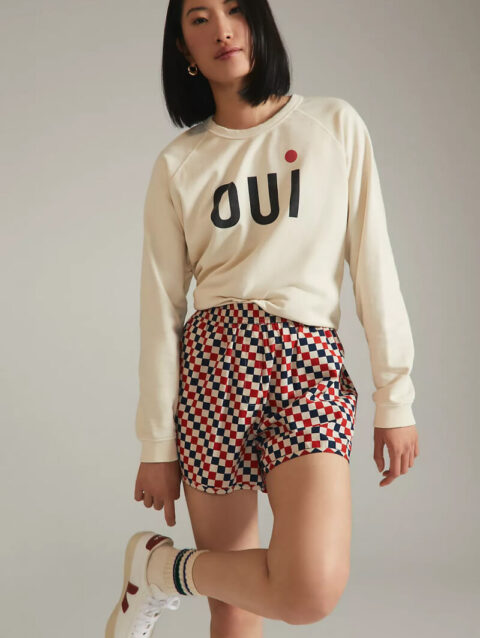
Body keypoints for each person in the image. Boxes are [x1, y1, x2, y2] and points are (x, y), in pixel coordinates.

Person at [105, 0, 420, 636]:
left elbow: (373, 263)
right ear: (182, 48)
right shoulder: (180, 163)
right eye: (199, 18)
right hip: (213, 366)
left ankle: (160, 571)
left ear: (258, 21)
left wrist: (396, 397)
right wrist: (156, 444)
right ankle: (165, 573)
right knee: (235, 605)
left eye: (235, 9)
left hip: (307, 364)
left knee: (308, 589)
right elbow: (160, 308)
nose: (222, 29)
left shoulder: (333, 126)